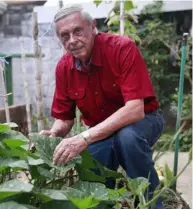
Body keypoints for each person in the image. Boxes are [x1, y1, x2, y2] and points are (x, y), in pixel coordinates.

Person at [37, 4, 165, 209]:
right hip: (101, 132)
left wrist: (84, 137)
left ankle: (152, 205)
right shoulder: (64, 67)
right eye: (65, 35)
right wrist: (53, 133)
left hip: (144, 120)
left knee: (127, 138)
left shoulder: (122, 48)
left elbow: (135, 109)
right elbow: (64, 118)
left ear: (92, 27)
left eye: (77, 31)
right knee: (93, 163)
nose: (72, 40)